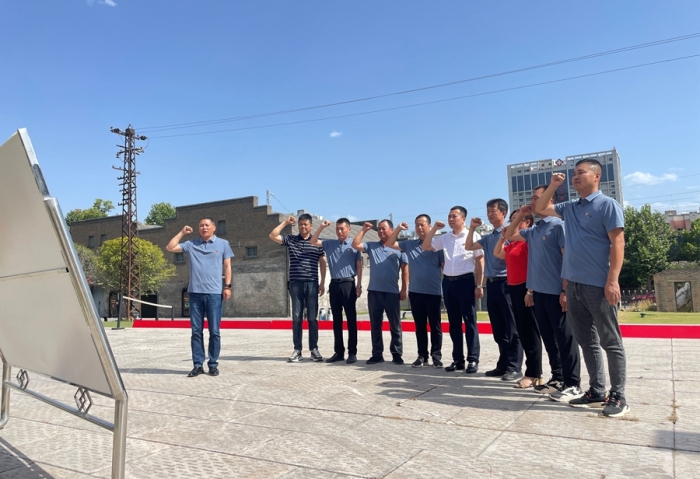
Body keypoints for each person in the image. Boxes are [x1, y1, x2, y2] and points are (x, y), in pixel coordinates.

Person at [535, 159, 628, 417]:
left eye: (581, 172)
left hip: (598, 284)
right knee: (587, 341)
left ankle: (618, 395)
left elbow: (618, 243)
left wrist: (613, 280)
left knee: (610, 341)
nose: (575, 177)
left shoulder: (607, 205)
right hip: (574, 284)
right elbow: (541, 208)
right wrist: (553, 185)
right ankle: (596, 390)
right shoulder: (570, 207)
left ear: (596, 176)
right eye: (573, 173)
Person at [506, 188, 583, 403]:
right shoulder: (535, 230)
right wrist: (520, 215)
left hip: (556, 292)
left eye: (537, 198)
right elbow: (509, 235)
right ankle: (558, 378)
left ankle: (573, 383)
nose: (533, 201)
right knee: (549, 339)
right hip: (538, 293)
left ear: (550, 201)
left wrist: (565, 290)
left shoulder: (559, 226)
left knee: (565, 339)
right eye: (532, 198)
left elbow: (567, 259)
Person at [166, 218, 233, 377]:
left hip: (214, 293)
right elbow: (170, 247)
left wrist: (227, 286)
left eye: (207, 225)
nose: (204, 227)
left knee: (214, 331)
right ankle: (197, 365)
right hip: (195, 293)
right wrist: (182, 233)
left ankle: (213, 364)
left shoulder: (223, 244)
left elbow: (227, 266)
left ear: (214, 228)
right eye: (201, 225)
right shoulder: (191, 244)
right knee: (196, 331)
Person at [465, 199, 523, 381]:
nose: (489, 214)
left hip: (507, 282)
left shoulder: (510, 233)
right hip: (491, 284)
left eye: (493, 211)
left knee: (512, 327)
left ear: (503, 213)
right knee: (498, 328)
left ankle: (515, 367)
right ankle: (503, 364)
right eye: (488, 211)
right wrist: (472, 228)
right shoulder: (489, 236)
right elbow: (469, 247)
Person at [422, 206, 484, 374]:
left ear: (463, 219)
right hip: (448, 282)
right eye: (449, 216)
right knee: (454, 323)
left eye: (454, 216)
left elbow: (480, 261)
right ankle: (458, 360)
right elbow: (426, 246)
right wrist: (434, 229)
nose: (450, 219)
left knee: (470, 322)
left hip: (466, 281)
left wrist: (479, 285)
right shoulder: (445, 237)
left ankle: (473, 359)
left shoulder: (473, 235)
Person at [386, 215, 445, 368]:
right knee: (420, 326)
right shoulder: (410, 244)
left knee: (435, 326)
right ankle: (422, 356)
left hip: (433, 292)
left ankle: (436, 356)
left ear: (429, 226)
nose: (419, 228)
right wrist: (398, 228)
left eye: (422, 225)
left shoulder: (437, 245)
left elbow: (444, 267)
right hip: (416, 292)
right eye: (417, 225)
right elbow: (390, 243)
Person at [269, 214, 327, 363]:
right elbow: (272, 235)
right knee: (297, 318)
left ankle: (314, 349)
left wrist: (322, 283)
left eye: (306, 224)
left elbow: (322, 263)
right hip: (295, 284)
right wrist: (285, 222)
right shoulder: (291, 240)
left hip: (312, 283)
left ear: (311, 226)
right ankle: (297, 350)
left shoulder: (317, 242)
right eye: (301, 224)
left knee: (312, 318)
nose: (303, 227)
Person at [494, 210, 543, 388]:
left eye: (516, 220)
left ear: (527, 222)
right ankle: (532, 372)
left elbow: (534, 266)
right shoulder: (513, 243)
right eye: (511, 220)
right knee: (522, 330)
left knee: (530, 331)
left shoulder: (528, 242)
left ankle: (534, 373)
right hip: (513, 288)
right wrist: (502, 237)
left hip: (526, 287)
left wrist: (530, 291)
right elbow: (497, 253)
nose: (511, 223)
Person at [352, 220, 408, 365]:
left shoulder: (399, 247)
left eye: (384, 228)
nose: (381, 231)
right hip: (374, 292)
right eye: (379, 229)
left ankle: (396, 354)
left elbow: (405, 269)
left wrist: (404, 288)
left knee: (395, 325)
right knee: (375, 325)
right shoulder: (372, 246)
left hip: (391, 292)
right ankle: (377, 354)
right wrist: (364, 230)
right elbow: (355, 244)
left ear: (391, 230)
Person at [310, 218, 363, 364]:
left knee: (351, 319)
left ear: (349, 229)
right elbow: (313, 241)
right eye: (337, 229)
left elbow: (359, 266)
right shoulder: (330, 244)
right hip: (334, 285)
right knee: (337, 320)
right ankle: (339, 352)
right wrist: (321, 227)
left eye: (342, 229)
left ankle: (352, 352)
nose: (339, 231)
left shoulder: (354, 245)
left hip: (348, 284)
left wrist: (359, 285)